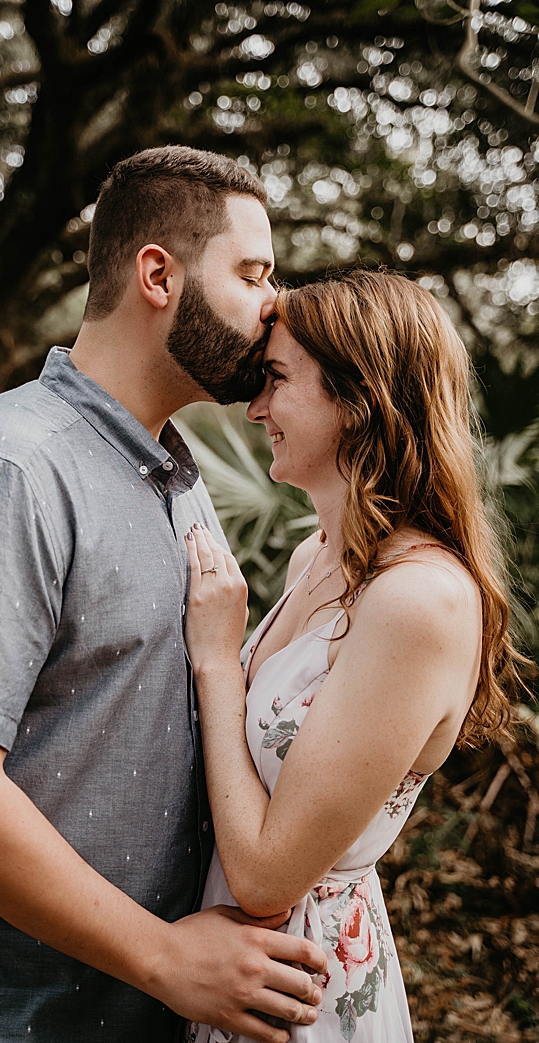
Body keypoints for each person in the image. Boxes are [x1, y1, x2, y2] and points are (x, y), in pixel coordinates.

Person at [0, 145, 327, 1043]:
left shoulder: (177, 475)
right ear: (158, 274)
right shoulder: (6, 468)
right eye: (254, 272)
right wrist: (166, 958)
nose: (276, 304)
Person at [182, 270, 524, 1042]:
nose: (256, 407)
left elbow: (268, 879)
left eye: (275, 379)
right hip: (226, 965)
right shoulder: (316, 555)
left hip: (302, 991)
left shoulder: (419, 601)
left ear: (357, 396)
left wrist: (214, 665)